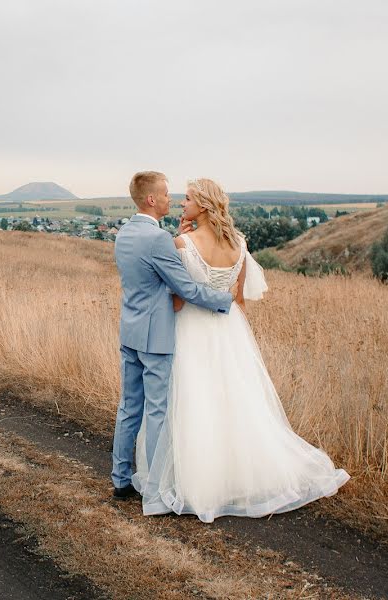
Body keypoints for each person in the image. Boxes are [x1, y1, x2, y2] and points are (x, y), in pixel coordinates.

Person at [131, 177, 349, 522]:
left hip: (192, 329)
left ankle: (198, 480)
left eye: (187, 199)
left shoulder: (182, 243)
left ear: (202, 205)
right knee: (234, 399)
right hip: (230, 329)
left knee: (193, 401)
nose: (182, 203)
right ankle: (239, 475)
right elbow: (240, 301)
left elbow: (176, 301)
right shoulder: (240, 244)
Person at [111, 171, 237, 500]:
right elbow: (187, 289)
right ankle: (156, 488)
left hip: (130, 332)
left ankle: (121, 477)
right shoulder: (158, 241)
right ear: (151, 199)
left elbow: (147, 276)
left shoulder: (124, 233)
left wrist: (176, 239)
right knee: (156, 412)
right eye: (166, 194)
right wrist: (226, 300)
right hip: (156, 339)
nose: (172, 199)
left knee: (128, 408)